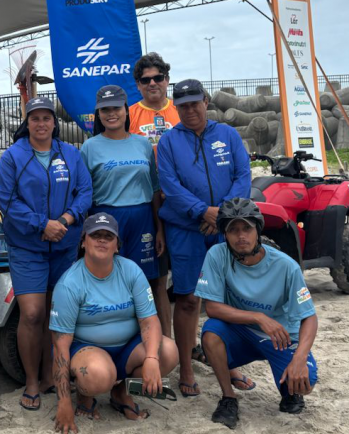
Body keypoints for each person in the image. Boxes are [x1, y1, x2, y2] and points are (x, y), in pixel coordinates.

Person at [0, 97, 92, 411]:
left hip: (64, 246)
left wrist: (65, 220)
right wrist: (42, 225)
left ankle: (54, 377)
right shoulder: (14, 156)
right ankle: (33, 381)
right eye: (34, 118)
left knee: (57, 313)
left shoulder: (71, 154)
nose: (41, 124)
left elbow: (85, 191)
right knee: (33, 314)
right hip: (28, 247)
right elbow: (6, 201)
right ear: (28, 122)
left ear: (54, 122)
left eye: (46, 118)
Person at [156, 79, 252, 398]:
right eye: (183, 105)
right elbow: (169, 184)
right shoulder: (169, 142)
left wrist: (220, 214)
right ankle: (186, 365)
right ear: (176, 107)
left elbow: (243, 175)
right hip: (186, 229)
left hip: (223, 227)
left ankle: (229, 363)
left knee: (223, 299)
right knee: (187, 300)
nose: (190, 110)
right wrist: (202, 212)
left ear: (206, 101)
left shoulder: (227, 134)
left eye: (195, 103)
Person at [49, 213, 179, 433]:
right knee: (98, 375)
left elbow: (149, 320)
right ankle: (84, 395)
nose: (101, 240)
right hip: (88, 350)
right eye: (95, 235)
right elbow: (60, 346)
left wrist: (151, 358)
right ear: (83, 242)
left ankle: (122, 393)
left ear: (117, 245)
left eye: (108, 237)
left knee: (168, 351)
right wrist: (63, 403)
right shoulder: (70, 283)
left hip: (128, 347)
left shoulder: (131, 270)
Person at [197, 198, 318, 428]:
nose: (240, 235)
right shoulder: (217, 254)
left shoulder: (286, 266)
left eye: (246, 228)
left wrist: (300, 358)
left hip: (280, 337)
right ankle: (228, 398)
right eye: (233, 229)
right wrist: (258, 317)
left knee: (305, 382)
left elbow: (309, 316)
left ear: (258, 230)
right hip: (242, 332)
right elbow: (212, 307)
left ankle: (290, 392)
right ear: (225, 234)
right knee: (210, 332)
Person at [81, 86, 166, 325]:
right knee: (109, 282)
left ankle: (161, 346)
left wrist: (159, 229)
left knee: (150, 284)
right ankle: (116, 340)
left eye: (116, 108)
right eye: (104, 109)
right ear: (97, 114)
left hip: (142, 220)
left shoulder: (142, 145)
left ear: (125, 110)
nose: (111, 113)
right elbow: (84, 193)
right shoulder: (90, 147)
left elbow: (155, 189)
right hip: (106, 219)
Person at [128, 53, 178, 338]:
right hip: (146, 204)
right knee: (153, 279)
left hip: (180, 202)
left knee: (184, 284)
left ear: (167, 80)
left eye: (158, 77)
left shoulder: (180, 111)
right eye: (146, 80)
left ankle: (170, 342)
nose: (153, 83)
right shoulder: (130, 114)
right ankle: (149, 340)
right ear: (138, 84)